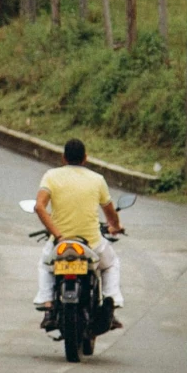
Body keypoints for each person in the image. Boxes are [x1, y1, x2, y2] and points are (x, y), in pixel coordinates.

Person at [33, 138, 124, 332]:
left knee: (45, 265)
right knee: (111, 264)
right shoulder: (97, 179)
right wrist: (115, 226)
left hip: (60, 243)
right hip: (92, 243)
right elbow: (110, 212)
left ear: (63, 158)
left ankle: (47, 304)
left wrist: (58, 235)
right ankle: (112, 301)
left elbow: (39, 207)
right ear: (85, 158)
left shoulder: (51, 176)